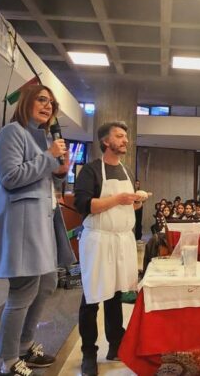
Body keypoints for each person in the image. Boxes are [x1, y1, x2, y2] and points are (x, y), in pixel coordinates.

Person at [0, 84, 75, 376]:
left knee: (47, 283)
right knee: (23, 290)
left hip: (42, 222)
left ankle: (25, 345)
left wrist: (59, 171)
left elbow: (43, 179)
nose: (48, 106)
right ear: (26, 102)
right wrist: (48, 157)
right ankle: (8, 361)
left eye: (51, 103)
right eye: (41, 100)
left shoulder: (42, 138)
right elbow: (10, 177)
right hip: (22, 225)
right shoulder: (12, 132)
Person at [73, 121, 145, 376]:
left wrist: (135, 203)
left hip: (121, 240)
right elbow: (83, 205)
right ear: (106, 141)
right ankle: (88, 354)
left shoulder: (126, 170)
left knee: (116, 294)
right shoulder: (91, 170)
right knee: (92, 298)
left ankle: (116, 345)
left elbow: (124, 206)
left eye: (125, 136)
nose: (125, 140)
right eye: (119, 136)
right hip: (99, 239)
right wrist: (118, 199)